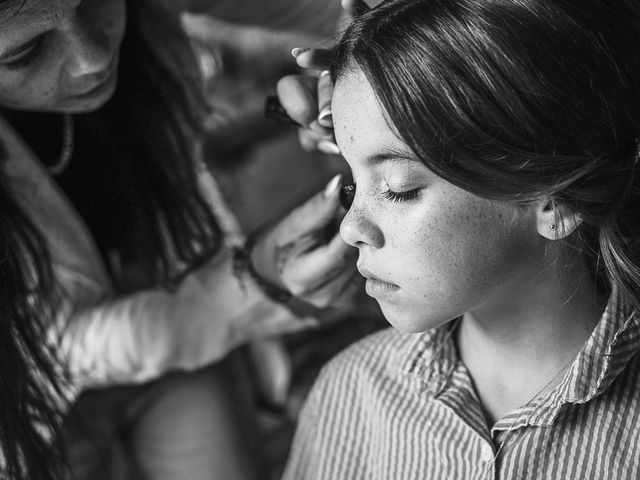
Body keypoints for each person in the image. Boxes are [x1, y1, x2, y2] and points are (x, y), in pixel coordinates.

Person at [0, 0, 358, 479]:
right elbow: (56, 345)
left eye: (95, 2)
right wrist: (245, 284)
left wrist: (360, 71)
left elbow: (346, 10)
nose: (94, 58)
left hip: (169, 325)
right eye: (24, 54)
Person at [282, 0, 640, 478]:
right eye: (351, 183)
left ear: (556, 202)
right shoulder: (351, 393)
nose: (350, 226)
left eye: (398, 189)